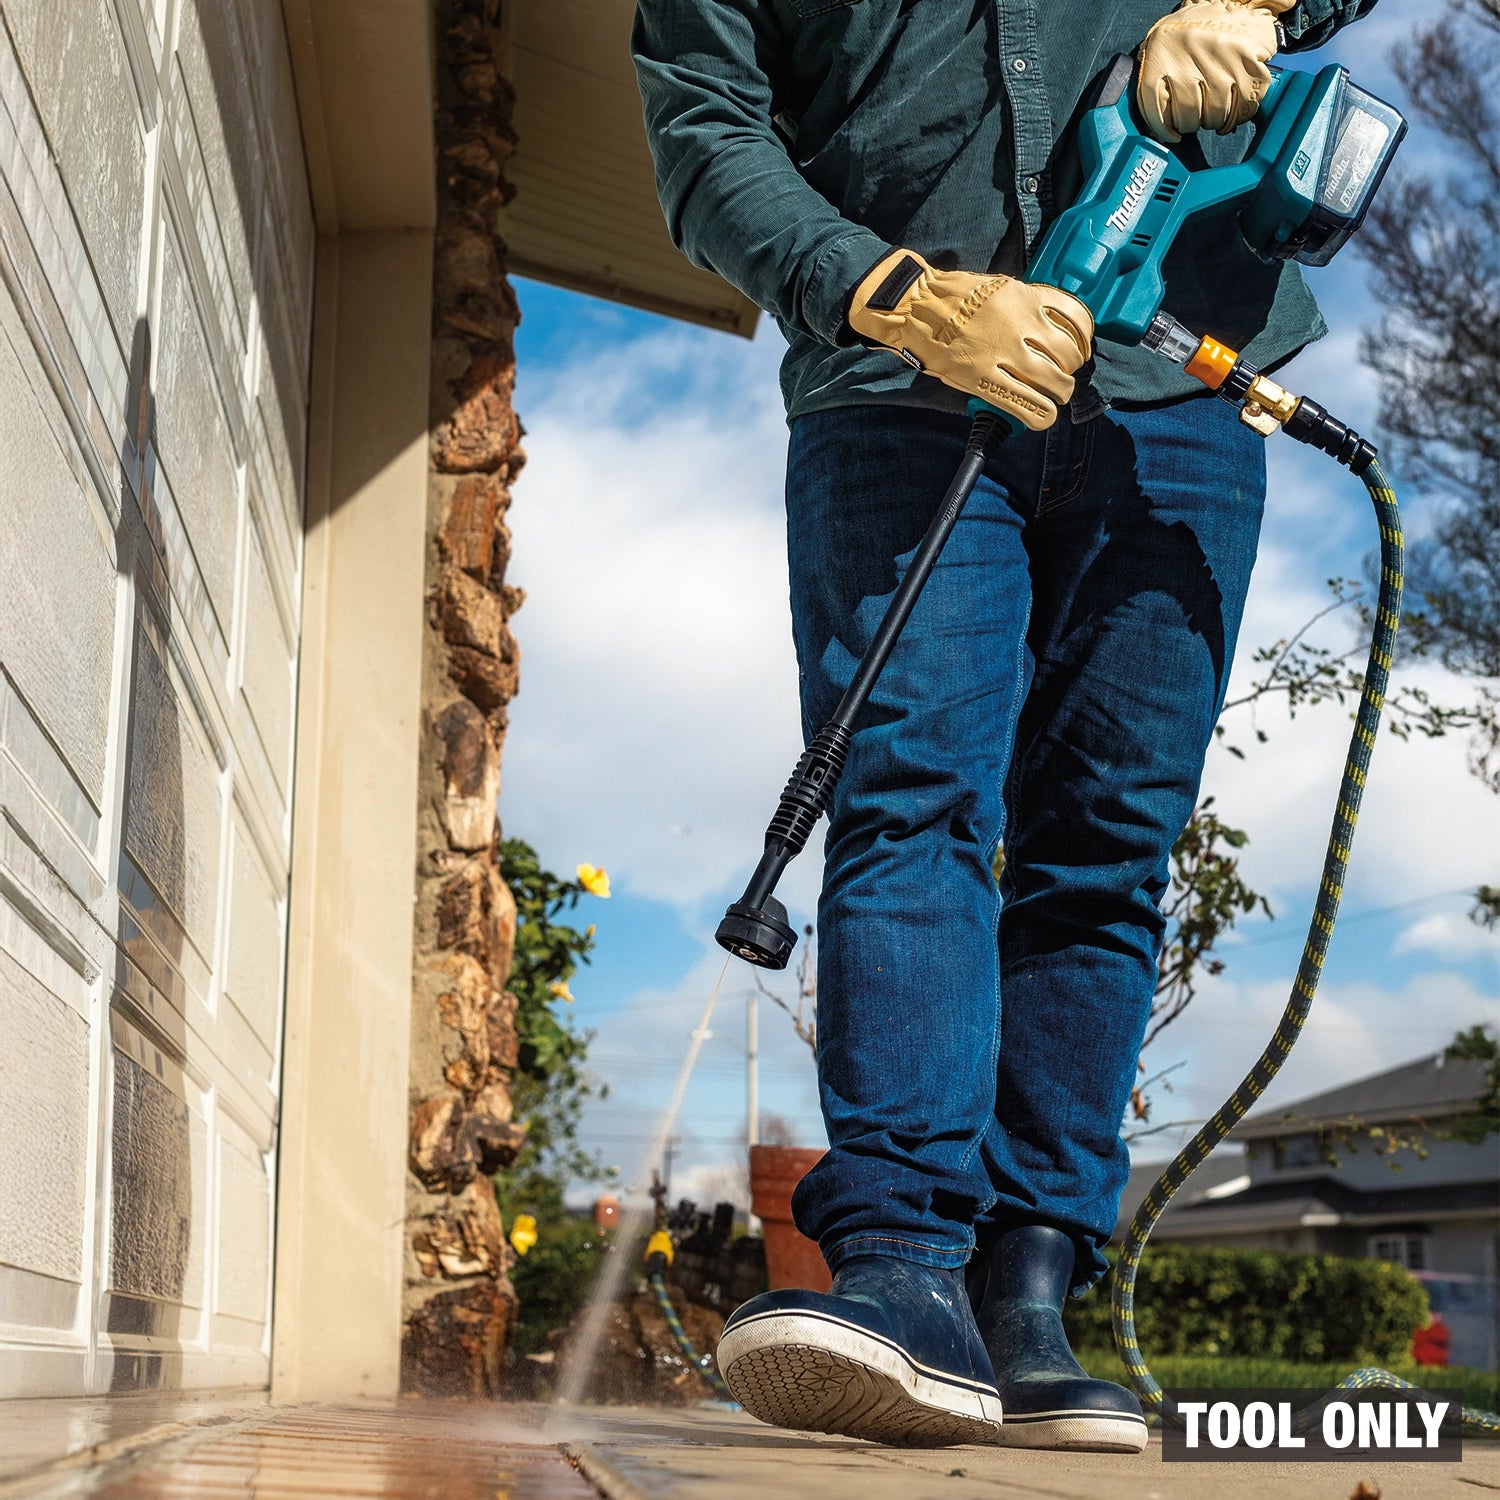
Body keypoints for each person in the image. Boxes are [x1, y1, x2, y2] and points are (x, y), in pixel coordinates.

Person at [633, 0, 1378, 1451]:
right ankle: (905, 1271)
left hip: (1178, 376)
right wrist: (902, 293)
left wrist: (1254, 8)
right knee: (910, 796)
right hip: (900, 392)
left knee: (1105, 847)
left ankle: (1029, 1294)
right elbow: (706, 132)